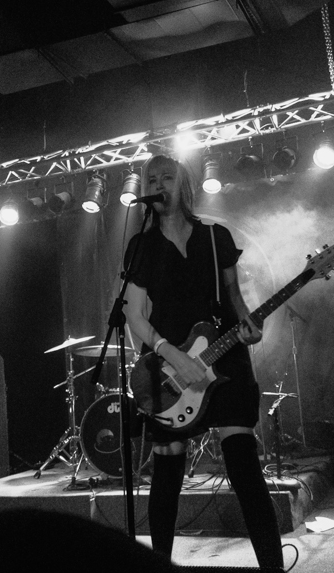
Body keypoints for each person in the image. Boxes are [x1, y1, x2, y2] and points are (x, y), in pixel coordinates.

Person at [123, 155, 284, 569]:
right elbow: (134, 315)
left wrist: (250, 324)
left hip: (226, 358)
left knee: (244, 467)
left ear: (185, 185)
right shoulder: (142, 246)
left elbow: (234, 297)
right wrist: (171, 353)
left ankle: (272, 566)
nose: (158, 184)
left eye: (167, 177)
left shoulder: (215, 237)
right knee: (167, 471)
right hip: (169, 366)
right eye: (151, 179)